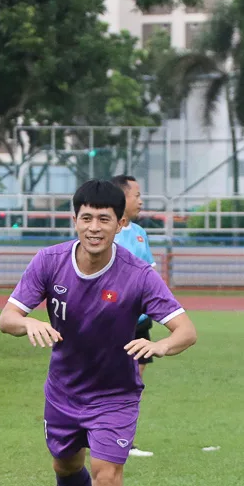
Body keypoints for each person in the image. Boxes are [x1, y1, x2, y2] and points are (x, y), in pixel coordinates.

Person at [0, 180, 196, 486]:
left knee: (107, 475)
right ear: (75, 220)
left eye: (104, 219)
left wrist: (161, 345)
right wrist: (27, 324)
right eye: (85, 217)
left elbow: (186, 330)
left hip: (115, 394)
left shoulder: (137, 273)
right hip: (64, 391)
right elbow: (7, 317)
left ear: (120, 223)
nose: (93, 227)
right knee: (65, 465)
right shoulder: (49, 261)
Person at [111, 174, 157, 457]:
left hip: (139, 323)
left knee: (134, 382)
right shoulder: (107, 232)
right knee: (113, 382)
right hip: (114, 323)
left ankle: (125, 441)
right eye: (136, 195)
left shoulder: (140, 232)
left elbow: (149, 274)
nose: (141, 200)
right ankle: (106, 438)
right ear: (122, 197)